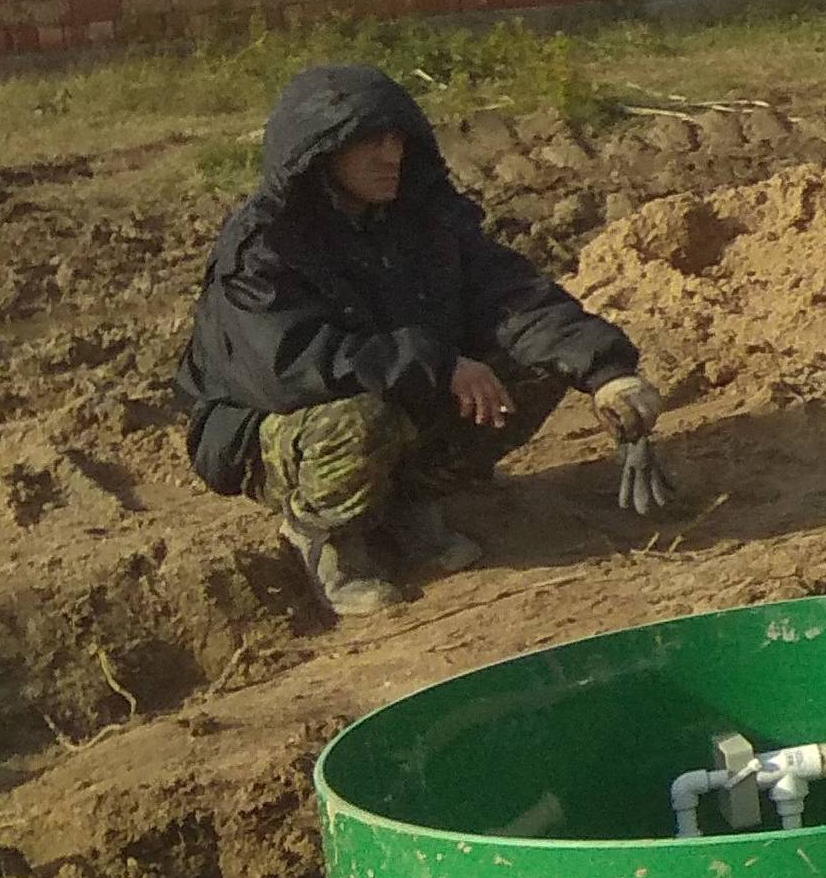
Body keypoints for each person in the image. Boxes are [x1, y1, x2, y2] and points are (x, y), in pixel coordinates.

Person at [177, 63, 673, 617]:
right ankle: (324, 536)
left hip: (396, 387)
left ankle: (407, 505)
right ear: (321, 152)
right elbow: (290, 365)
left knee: (535, 365)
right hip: (267, 427)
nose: (391, 156)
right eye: (369, 141)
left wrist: (607, 373)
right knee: (359, 419)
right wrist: (441, 365)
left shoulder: (423, 219)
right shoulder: (264, 248)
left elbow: (511, 296)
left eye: (397, 139)